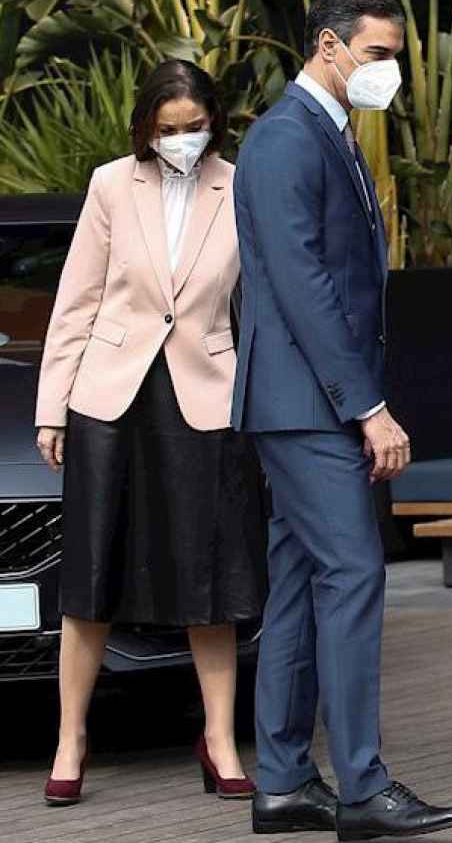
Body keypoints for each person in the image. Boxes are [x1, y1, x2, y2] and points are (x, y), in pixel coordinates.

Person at [232, 0, 452, 839]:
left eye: (395, 58)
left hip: (308, 398)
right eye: (377, 56)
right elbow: (305, 288)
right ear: (328, 46)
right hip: (306, 404)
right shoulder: (288, 139)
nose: (389, 74)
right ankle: (362, 788)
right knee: (354, 575)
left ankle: (285, 782)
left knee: (299, 582)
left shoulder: (326, 133)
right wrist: (369, 406)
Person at [34, 59, 266, 808]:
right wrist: (52, 407)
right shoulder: (109, 185)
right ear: (144, 129)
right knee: (91, 577)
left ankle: (220, 737)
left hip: (207, 398)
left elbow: (257, 304)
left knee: (213, 576)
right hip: (110, 397)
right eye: (167, 131)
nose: (182, 142)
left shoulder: (241, 185)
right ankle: (71, 737)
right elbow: (76, 301)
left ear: (214, 124)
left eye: (195, 128)